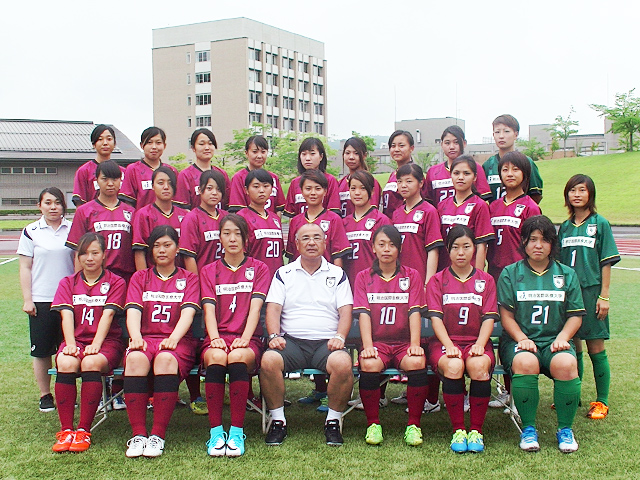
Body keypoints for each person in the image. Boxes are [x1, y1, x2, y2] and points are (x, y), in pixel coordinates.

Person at [260, 223, 354, 446]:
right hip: (291, 342)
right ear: (296, 244)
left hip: (327, 343)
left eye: (316, 238)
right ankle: (278, 421)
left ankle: (332, 422)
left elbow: (346, 311)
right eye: (306, 238)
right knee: (268, 360)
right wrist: (274, 335)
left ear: (324, 242)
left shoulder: (338, 274)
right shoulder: (283, 273)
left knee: (343, 363)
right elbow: (273, 308)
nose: (311, 242)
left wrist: (340, 337)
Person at [498, 215, 585, 453]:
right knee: (525, 361)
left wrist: (563, 338)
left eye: (544, 240)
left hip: (554, 342)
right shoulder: (510, 273)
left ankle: (565, 429)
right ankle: (528, 428)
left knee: (567, 362)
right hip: (519, 341)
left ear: (552, 244)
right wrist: (522, 339)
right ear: (524, 242)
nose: (538, 245)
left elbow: (575, 315)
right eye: (533, 239)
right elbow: (506, 316)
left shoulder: (566, 274)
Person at [123, 226, 200, 458]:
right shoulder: (140, 277)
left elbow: (187, 313)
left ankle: (157, 435)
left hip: (179, 342)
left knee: (166, 359)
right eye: (156, 246)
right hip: (147, 338)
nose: (161, 250)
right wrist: (135, 337)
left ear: (177, 248)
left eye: (167, 245)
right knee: (135, 358)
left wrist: (173, 339)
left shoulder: (189, 279)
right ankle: (138, 434)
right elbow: (134, 311)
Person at [199, 214, 270, 457]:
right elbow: (209, 310)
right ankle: (216, 432)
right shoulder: (209, 271)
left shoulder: (259, 268)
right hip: (217, 337)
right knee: (217, 357)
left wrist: (246, 337)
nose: (232, 239)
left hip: (247, 338)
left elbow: (255, 309)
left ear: (246, 238)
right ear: (219, 238)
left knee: (238, 356)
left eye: (237, 234)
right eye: (227, 233)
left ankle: (237, 432)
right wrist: (215, 337)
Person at [50, 233, 126, 452]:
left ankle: (83, 430)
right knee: (66, 363)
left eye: (95, 253)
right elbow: (66, 315)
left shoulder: (115, 281)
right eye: (84, 253)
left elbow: (108, 315)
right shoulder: (68, 282)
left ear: (104, 255)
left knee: (91, 363)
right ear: (78, 256)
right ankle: (66, 431)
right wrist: (71, 344)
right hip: (76, 340)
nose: (89, 258)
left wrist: (97, 344)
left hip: (107, 342)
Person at [354, 225, 428, 446]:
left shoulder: (412, 276)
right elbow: (364, 314)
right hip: (378, 342)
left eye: (392, 244)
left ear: (400, 248)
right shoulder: (362, 277)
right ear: (373, 248)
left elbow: (415, 311)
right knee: (369, 364)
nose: (387, 249)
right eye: (382, 244)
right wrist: (367, 345)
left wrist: (415, 344)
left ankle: (414, 425)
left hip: (404, 342)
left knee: (417, 361)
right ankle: (373, 424)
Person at [427, 226, 498, 453]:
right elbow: (436, 319)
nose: (461, 252)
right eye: (455, 247)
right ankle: (458, 428)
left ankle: (476, 430)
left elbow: (488, 318)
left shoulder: (486, 280)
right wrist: (448, 346)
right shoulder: (438, 281)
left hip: (477, 342)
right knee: (454, 365)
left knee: (478, 366)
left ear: (474, 249)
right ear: (448, 250)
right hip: (445, 343)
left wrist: (479, 344)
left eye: (466, 247)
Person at [558, 174, 620, 419]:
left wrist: (604, 296)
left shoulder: (600, 223)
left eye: (582, 190)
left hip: (592, 291)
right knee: (573, 346)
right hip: (568, 294)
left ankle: (602, 401)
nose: (577, 194)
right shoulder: (564, 226)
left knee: (596, 347)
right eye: (572, 190)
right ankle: (574, 395)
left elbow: (606, 262)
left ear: (590, 194)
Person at [486, 151, 541, 410]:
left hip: (519, 277)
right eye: (504, 169)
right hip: (495, 276)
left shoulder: (530, 206)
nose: (509, 174)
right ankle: (486, 387)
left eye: (515, 169)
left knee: (513, 332)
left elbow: (534, 244)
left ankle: (513, 391)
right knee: (491, 329)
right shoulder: (492, 206)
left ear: (525, 175)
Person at [17, 187, 75, 412]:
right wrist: (27, 299)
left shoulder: (72, 229)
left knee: (67, 348)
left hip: (69, 300)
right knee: (42, 351)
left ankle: (66, 392)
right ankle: (45, 394)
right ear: (40, 205)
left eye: (58, 202)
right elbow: (25, 267)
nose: (53, 207)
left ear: (64, 205)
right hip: (41, 299)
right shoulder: (31, 231)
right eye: (48, 203)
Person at [66, 160, 136, 283]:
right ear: (97, 181)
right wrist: (77, 283)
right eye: (105, 179)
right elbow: (79, 250)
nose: (110, 183)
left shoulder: (132, 212)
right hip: (94, 278)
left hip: (125, 279)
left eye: (115, 179)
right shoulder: (84, 211)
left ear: (121, 181)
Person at [436, 155, 494, 272]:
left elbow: (481, 245)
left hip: (469, 271)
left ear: (475, 177)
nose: (461, 177)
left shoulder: (480, 205)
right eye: (456, 173)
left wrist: (478, 276)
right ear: (450, 175)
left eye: (466, 173)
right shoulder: (442, 206)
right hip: (445, 271)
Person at [285, 169, 352, 267]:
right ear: (302, 192)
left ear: (325, 191)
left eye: (317, 188)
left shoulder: (334, 219)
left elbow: (337, 255)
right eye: (308, 188)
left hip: (325, 276)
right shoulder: (295, 221)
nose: (313, 193)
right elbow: (292, 256)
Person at [391, 163, 443, 286]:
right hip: (399, 280)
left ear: (420, 183)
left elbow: (433, 250)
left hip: (420, 278)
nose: (403, 185)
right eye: (399, 181)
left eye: (409, 181)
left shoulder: (429, 211)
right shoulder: (396, 213)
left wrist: (428, 283)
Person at [342, 170, 391, 289]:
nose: (357, 193)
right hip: (348, 285)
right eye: (353, 188)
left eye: (363, 188)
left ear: (372, 191)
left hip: (373, 285)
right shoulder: (343, 223)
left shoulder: (381, 220)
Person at [132, 166, 188, 270]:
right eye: (160, 183)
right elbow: (139, 251)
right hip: (153, 277)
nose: (166, 187)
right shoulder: (143, 214)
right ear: (153, 186)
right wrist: (144, 280)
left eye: (170, 183)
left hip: (179, 277)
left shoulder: (185, 215)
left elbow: (188, 253)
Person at [482, 114, 543, 204]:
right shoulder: (488, 165)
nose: (501, 136)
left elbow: (536, 195)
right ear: (493, 135)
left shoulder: (527, 162)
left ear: (516, 134)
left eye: (506, 131)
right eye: (497, 132)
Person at [236, 169, 284, 279]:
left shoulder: (275, 219)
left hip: (276, 281)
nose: (261, 190)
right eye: (256, 186)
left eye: (266, 186)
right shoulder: (241, 218)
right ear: (246, 190)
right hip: (253, 279)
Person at [425, 126, 491, 206]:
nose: (452, 147)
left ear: (464, 143)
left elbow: (484, 199)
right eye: (447, 143)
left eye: (456, 142)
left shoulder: (475, 167)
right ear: (442, 144)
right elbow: (427, 203)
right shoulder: (433, 171)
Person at [179, 169, 229, 273]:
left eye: (219, 189)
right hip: (203, 279)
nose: (214, 193)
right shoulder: (192, 218)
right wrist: (196, 285)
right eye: (209, 188)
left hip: (226, 282)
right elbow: (189, 257)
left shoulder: (227, 217)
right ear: (200, 190)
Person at [119, 127, 179, 209]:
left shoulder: (172, 171)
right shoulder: (133, 170)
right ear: (141, 145)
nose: (154, 147)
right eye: (149, 142)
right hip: (142, 219)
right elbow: (128, 202)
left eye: (158, 143)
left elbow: (177, 202)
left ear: (164, 145)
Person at [174, 128, 230, 211]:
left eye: (210, 144)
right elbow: (182, 209)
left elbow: (227, 203)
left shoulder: (222, 174)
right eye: (201, 144)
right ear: (193, 148)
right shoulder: (185, 175)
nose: (207, 147)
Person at [228, 135, 285, 214]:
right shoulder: (239, 177)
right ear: (246, 153)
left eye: (263, 152)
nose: (259, 156)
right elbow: (238, 210)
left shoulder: (273, 177)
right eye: (255, 152)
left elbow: (279, 208)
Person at [284, 137, 341, 217]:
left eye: (312, 154)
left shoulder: (330, 180)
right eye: (304, 154)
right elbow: (291, 215)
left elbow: (334, 213)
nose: (307, 158)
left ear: (321, 156)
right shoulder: (295, 183)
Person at [72, 124, 125, 206]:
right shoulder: (84, 171)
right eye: (100, 139)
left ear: (114, 144)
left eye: (109, 139)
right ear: (94, 144)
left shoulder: (124, 172)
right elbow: (80, 204)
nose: (105, 143)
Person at [382, 130, 427, 218]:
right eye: (393, 146)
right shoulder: (393, 175)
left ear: (411, 148)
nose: (396, 149)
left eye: (401, 146)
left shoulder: (415, 174)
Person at [337, 137, 382, 217]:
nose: (351, 157)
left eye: (356, 153)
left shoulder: (371, 182)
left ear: (364, 155)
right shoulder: (340, 183)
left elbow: (372, 213)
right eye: (347, 153)